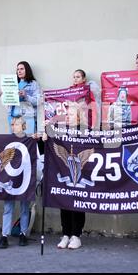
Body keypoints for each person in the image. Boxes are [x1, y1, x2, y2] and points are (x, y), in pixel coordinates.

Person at [55, 104, 88, 250]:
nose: (68, 117)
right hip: (64, 174)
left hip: (81, 174)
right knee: (64, 204)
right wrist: (44, 135)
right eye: (67, 114)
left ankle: (76, 235)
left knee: (78, 204)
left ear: (79, 117)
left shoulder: (86, 132)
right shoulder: (60, 131)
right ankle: (66, 234)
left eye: (71, 114)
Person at [0, 116, 32, 249]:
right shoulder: (7, 140)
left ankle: (23, 233)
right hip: (10, 178)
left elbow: (36, 158)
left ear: (23, 126)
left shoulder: (30, 140)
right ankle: (4, 235)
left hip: (26, 178)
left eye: (17, 124)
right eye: (12, 124)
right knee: (8, 208)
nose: (14, 126)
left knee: (24, 208)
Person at [0, 61, 41, 134]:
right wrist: (3, 95)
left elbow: (38, 101)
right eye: (18, 69)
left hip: (28, 118)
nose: (19, 71)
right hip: (13, 118)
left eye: (22, 69)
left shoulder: (34, 84)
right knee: (14, 143)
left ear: (27, 70)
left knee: (28, 142)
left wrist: (26, 96)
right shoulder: (13, 84)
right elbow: (8, 104)